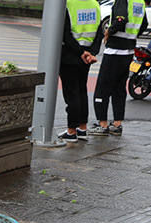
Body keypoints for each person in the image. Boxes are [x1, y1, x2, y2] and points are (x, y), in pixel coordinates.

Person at [89, 0, 148, 136]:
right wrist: (131, 36)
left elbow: (120, 19)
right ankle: (117, 124)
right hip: (128, 51)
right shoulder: (139, 2)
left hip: (114, 50)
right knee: (119, 88)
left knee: (103, 87)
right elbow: (144, 24)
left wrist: (109, 31)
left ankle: (102, 124)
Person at [58, 0, 104, 142]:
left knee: (72, 94)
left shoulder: (68, 4)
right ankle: (82, 128)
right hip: (87, 56)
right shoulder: (94, 4)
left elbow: (65, 34)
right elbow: (99, 32)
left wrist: (80, 52)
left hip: (70, 54)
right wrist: (92, 53)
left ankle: (71, 131)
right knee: (81, 92)